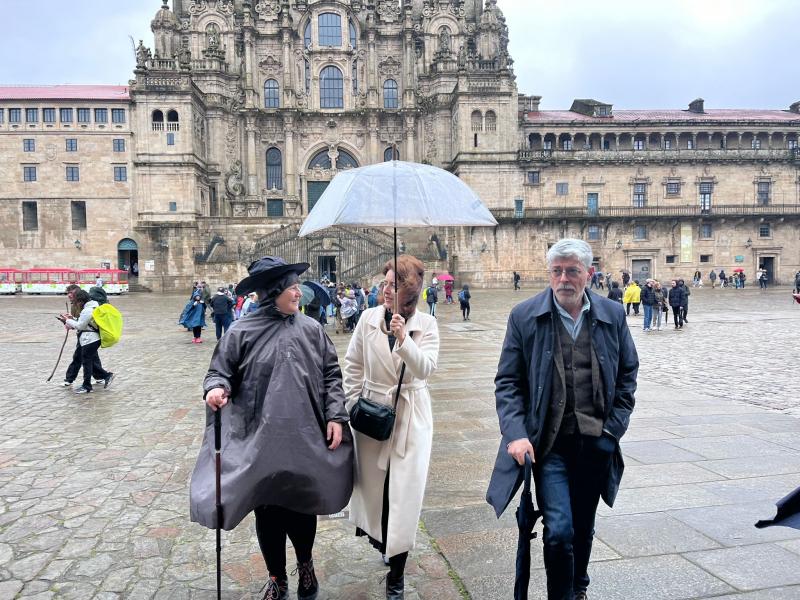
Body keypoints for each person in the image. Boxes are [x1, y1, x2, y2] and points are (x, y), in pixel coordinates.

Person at [191, 256, 353, 600]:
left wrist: (336, 416)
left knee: (301, 503)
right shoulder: (240, 331)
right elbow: (219, 371)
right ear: (273, 291)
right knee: (267, 508)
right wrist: (216, 389)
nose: (299, 292)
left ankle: (306, 565)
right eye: (292, 286)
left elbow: (331, 375)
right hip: (259, 438)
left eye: (297, 285)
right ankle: (277, 578)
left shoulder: (312, 329)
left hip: (306, 434)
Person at [487, 238, 638, 600]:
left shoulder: (612, 314)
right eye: (557, 271)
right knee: (558, 531)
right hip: (548, 443)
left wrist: (612, 430)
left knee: (583, 526)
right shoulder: (524, 316)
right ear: (549, 274)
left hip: (595, 441)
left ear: (588, 273)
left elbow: (627, 374)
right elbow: (507, 382)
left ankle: (578, 587)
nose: (564, 279)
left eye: (572, 271)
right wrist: (516, 434)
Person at [343, 255, 439, 600]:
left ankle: (396, 574)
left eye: (393, 284)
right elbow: (352, 363)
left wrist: (403, 338)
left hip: (411, 417)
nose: (385, 289)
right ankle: (382, 539)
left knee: (405, 496)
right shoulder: (368, 318)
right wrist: (353, 402)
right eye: (384, 283)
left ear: (410, 289)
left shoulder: (426, 324)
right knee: (377, 491)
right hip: (371, 413)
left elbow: (426, 368)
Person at [59, 289, 113, 394]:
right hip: (90, 339)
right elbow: (86, 322)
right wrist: (72, 318)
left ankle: (88, 385)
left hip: (90, 339)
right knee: (88, 362)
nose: (75, 304)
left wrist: (67, 321)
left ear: (80, 301)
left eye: (76, 302)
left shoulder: (88, 310)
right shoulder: (92, 307)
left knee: (87, 363)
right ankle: (102, 377)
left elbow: (80, 325)